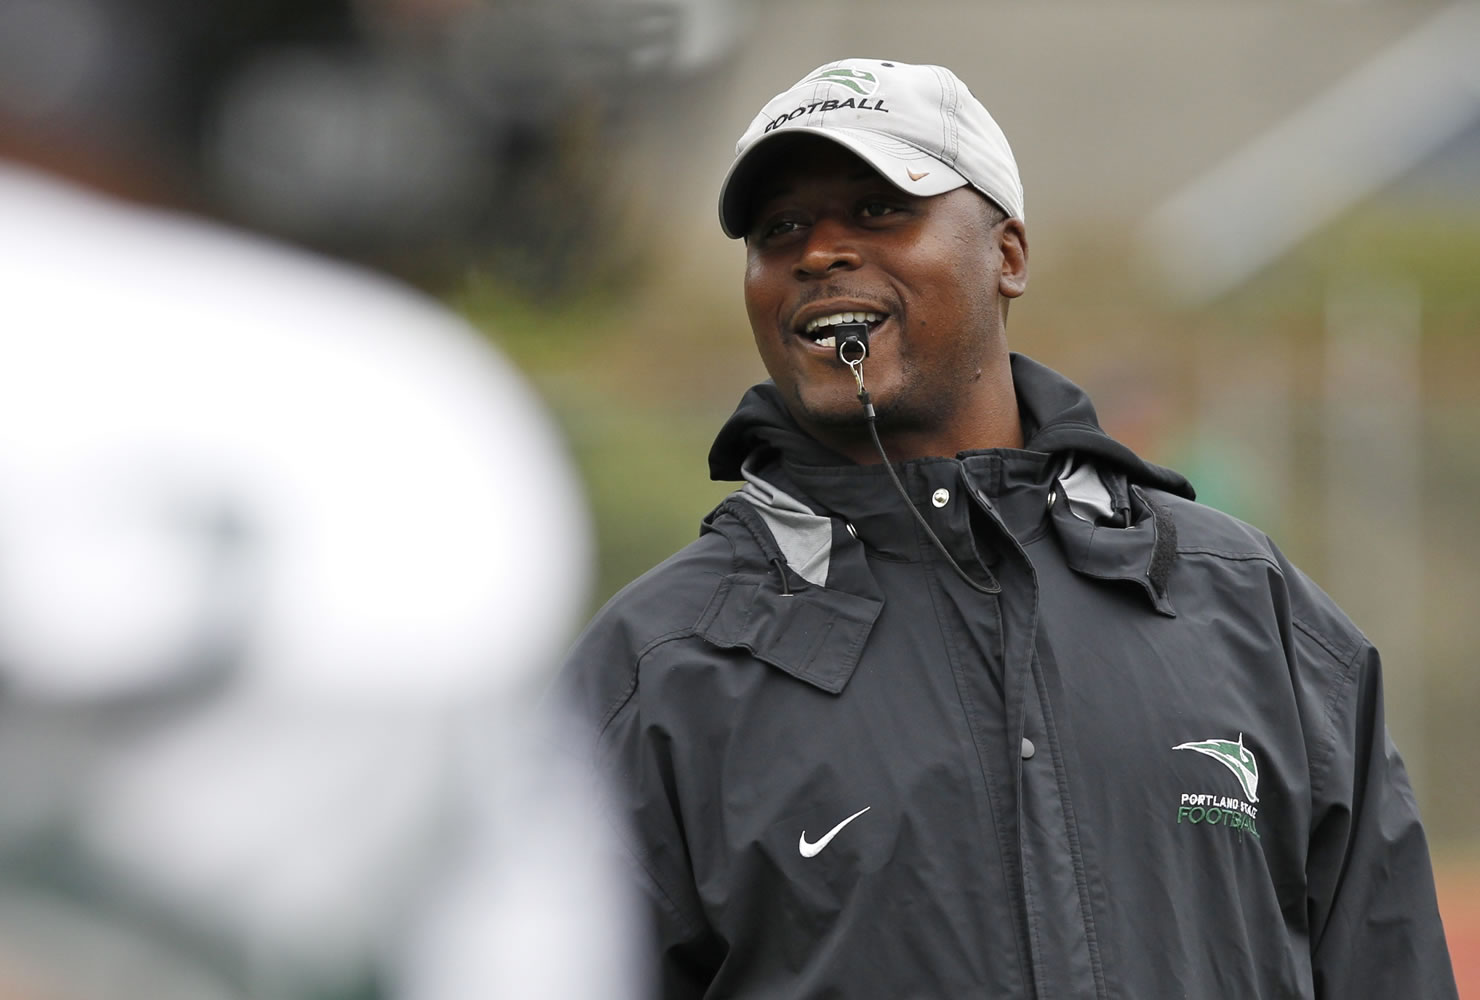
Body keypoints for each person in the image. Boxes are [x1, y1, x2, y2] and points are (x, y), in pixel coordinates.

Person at [556, 58, 1458, 999]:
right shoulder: (653, 673)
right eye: (779, 229)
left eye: (876, 211)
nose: (817, 253)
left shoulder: (1251, 612)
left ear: (1009, 255)